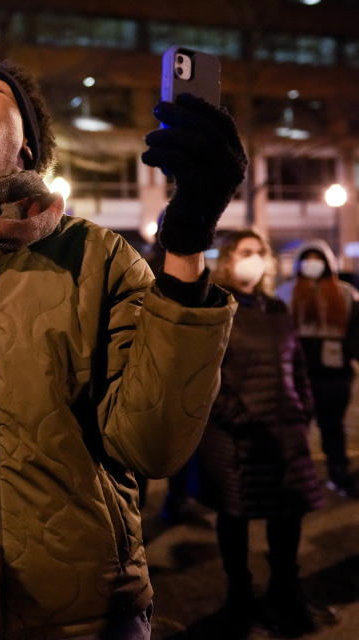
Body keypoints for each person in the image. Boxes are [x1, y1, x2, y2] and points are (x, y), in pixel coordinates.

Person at [0, 60, 246, 638]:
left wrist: (187, 240)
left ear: (27, 148)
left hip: (84, 612)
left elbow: (153, 445)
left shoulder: (99, 257)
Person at [198, 229, 333, 637]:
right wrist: (236, 418)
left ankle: (284, 591)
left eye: (260, 252)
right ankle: (239, 595)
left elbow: (297, 366)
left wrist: (304, 407)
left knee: (288, 515)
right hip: (237, 437)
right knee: (235, 516)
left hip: (285, 431)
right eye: (246, 252)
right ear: (227, 259)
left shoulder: (276, 309)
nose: (254, 259)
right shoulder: (214, 306)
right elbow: (205, 374)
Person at [276, 240, 359, 498]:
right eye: (307, 258)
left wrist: (350, 358)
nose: (312, 264)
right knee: (296, 428)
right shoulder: (285, 293)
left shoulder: (346, 293)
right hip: (297, 372)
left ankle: (338, 474)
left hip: (335, 374)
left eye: (318, 259)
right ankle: (295, 479)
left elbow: (355, 332)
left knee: (333, 427)